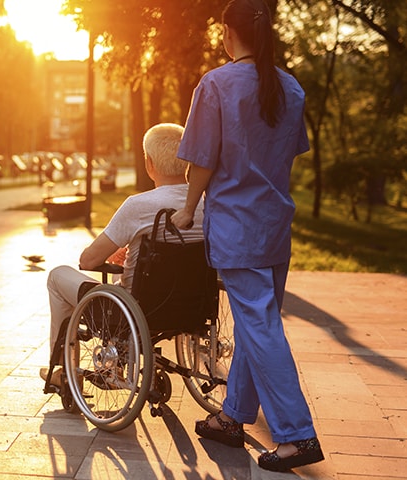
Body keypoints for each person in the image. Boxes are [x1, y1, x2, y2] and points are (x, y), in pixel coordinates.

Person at [170, 0, 324, 472]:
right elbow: (288, 153)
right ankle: (233, 418)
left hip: (238, 227)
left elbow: (203, 160)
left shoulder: (216, 84)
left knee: (259, 328)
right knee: (259, 324)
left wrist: (187, 209)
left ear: (226, 32)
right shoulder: (290, 87)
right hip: (275, 225)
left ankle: (296, 435)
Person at [40, 123, 204, 386]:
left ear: (149, 163)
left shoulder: (138, 206)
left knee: (58, 276)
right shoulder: (206, 204)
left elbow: (88, 260)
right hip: (192, 307)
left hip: (133, 308)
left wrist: (117, 251)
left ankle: (64, 371)